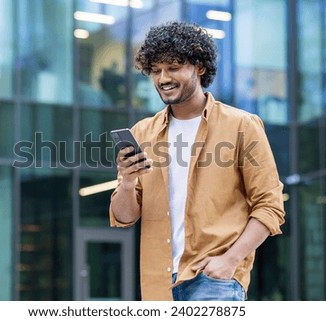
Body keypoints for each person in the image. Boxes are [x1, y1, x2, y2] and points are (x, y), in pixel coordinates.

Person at [109, 21, 285, 301]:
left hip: (214, 281)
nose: (163, 78)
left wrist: (230, 260)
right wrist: (128, 182)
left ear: (200, 67)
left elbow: (270, 207)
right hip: (158, 285)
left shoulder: (242, 126)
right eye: (155, 70)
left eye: (173, 67)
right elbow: (125, 217)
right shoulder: (142, 132)